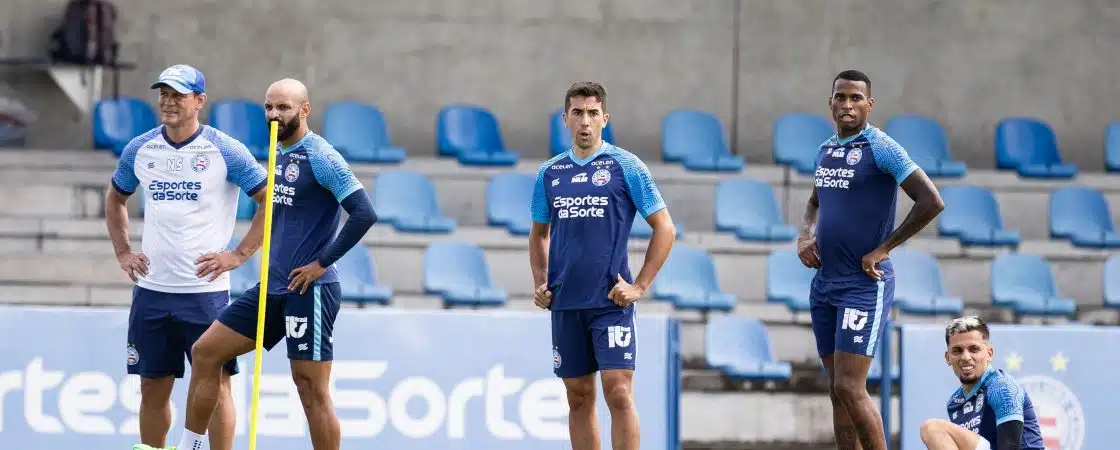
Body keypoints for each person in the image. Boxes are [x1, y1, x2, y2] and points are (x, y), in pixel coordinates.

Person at [172, 78, 377, 450]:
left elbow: (364, 213)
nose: (273, 115)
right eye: (268, 107)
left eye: (283, 107)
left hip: (309, 289)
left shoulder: (321, 157)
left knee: (310, 388)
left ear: (305, 109)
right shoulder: (276, 151)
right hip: (273, 287)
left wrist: (321, 263)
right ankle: (190, 446)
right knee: (205, 352)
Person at [110, 64, 269, 450]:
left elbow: (268, 200)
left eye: (178, 95)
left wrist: (239, 255)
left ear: (199, 101)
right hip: (151, 290)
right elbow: (116, 198)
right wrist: (124, 251)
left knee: (216, 385)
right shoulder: (140, 148)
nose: (168, 102)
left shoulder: (224, 149)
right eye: (163, 93)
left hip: (205, 294)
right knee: (152, 386)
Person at [796, 69, 945, 450]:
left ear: (869, 104)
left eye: (855, 99)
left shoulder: (882, 148)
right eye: (840, 98)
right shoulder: (825, 150)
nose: (847, 105)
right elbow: (815, 201)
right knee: (836, 389)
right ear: (830, 102)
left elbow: (931, 201)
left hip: (864, 284)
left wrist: (885, 248)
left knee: (850, 385)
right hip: (825, 282)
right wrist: (804, 235)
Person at [529, 81, 676, 450]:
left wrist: (639, 285)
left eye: (593, 113)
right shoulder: (550, 173)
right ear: (566, 119)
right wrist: (541, 280)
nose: (585, 120)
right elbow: (538, 235)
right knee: (578, 397)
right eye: (577, 112)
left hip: (612, 303)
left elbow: (665, 227)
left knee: (619, 391)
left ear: (604, 118)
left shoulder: (626, 166)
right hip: (566, 303)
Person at [920, 316, 1045, 450]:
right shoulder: (954, 402)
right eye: (957, 351)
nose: (966, 357)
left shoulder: (1002, 387)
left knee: (932, 428)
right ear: (948, 357)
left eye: (974, 349)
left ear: (989, 354)